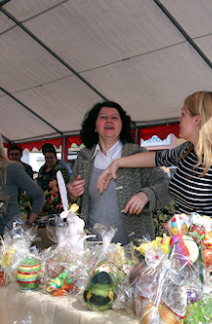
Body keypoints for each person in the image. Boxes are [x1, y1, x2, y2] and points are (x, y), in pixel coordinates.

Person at [97, 91, 212, 230]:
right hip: (181, 245)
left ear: (196, 120)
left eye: (183, 113)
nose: (179, 119)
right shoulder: (187, 150)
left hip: (209, 253)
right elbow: (156, 158)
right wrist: (117, 163)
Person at [67, 102, 171, 244]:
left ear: (122, 125)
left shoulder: (136, 154)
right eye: (103, 117)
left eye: (115, 117)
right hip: (92, 249)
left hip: (133, 249)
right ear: (94, 126)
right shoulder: (84, 158)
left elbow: (167, 186)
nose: (109, 120)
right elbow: (75, 203)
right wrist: (72, 194)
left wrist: (146, 195)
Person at [37, 143, 70, 216]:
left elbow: (66, 185)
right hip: (42, 202)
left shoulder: (61, 170)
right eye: (47, 157)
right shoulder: (42, 169)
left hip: (56, 203)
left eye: (51, 158)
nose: (48, 160)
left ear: (56, 158)